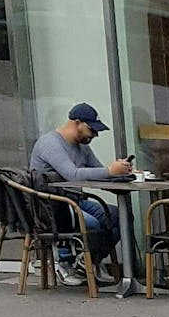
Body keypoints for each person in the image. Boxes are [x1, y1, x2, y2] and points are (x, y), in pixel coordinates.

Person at [27, 103, 130, 287]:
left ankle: (88, 262)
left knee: (119, 216)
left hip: (76, 201)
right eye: (92, 130)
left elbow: (99, 171)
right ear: (77, 123)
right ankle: (64, 261)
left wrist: (122, 172)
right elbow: (72, 174)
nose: (94, 135)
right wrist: (110, 171)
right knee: (93, 223)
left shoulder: (82, 146)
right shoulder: (50, 143)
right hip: (52, 206)